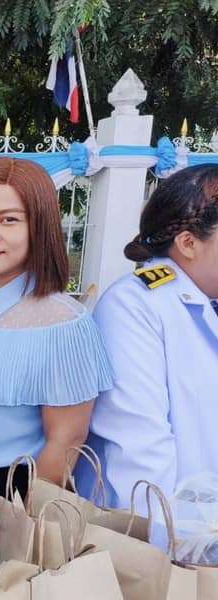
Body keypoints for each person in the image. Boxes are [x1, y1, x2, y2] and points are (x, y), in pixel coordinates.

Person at [0, 157, 114, 497]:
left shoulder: (64, 323)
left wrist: (15, 516)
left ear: (39, 226)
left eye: (9, 220)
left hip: (9, 497)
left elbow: (66, 441)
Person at [89, 164, 218, 505]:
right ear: (188, 243)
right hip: (169, 538)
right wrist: (173, 548)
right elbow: (139, 453)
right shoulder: (134, 304)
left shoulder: (208, 299)